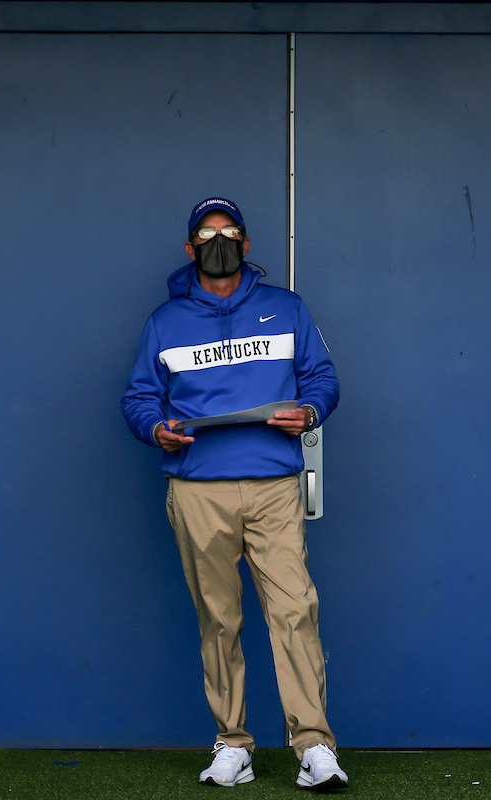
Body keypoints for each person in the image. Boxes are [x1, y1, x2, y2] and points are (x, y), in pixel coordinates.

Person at [121, 197, 347, 790]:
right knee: (218, 619)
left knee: (294, 610)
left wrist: (310, 411)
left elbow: (322, 379)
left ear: (246, 245)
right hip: (198, 489)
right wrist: (156, 429)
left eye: (229, 232)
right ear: (190, 247)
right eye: (206, 234)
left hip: (273, 485)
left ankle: (314, 746)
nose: (218, 242)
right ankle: (232, 744)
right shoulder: (165, 321)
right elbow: (139, 397)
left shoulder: (286, 308)